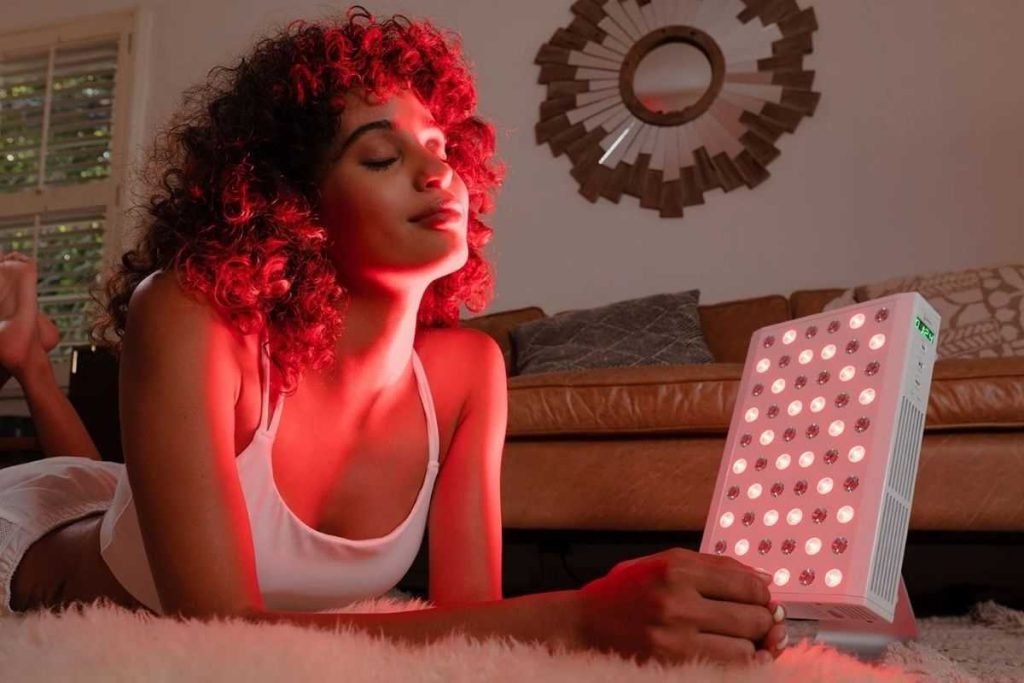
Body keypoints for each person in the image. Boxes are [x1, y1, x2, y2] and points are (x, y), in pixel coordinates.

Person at [0, 7, 787, 666]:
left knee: (110, 482)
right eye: (380, 154)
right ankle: (30, 363)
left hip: (112, 505)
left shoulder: (468, 370)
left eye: (443, 148)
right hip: (25, 546)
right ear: (291, 206)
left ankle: (25, 361)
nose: (437, 172)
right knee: (84, 485)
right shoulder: (186, 313)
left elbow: (471, 630)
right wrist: (581, 616)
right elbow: (216, 639)